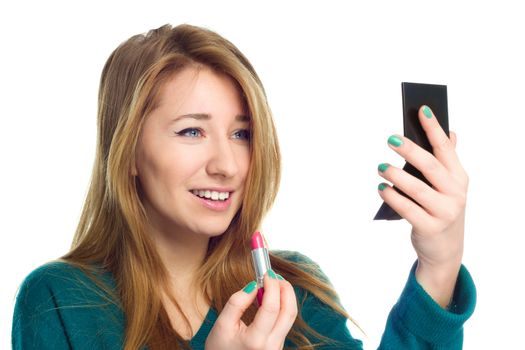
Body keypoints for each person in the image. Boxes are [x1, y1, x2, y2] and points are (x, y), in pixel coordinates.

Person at [11, 24, 476, 349]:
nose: (229, 165)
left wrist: (440, 265)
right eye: (192, 131)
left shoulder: (294, 292)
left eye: (242, 133)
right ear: (128, 149)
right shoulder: (60, 301)